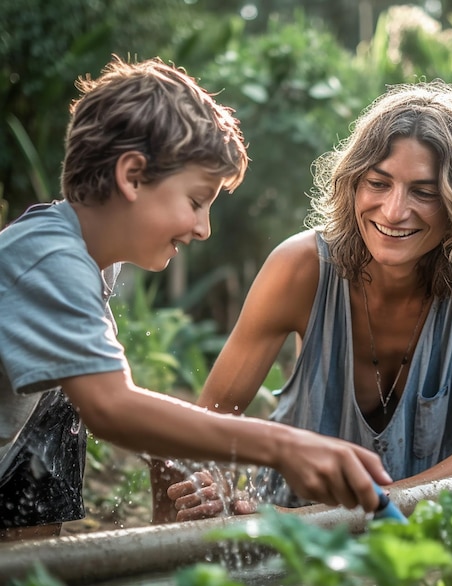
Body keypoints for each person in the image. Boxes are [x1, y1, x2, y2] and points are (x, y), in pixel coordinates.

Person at [0, 56, 392, 542]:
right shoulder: (47, 258)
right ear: (133, 175)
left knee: (64, 394)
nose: (203, 229)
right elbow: (112, 408)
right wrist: (283, 446)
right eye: (195, 201)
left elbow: (99, 393)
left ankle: (31, 579)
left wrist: (170, 453)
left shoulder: (85, 256)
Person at [159, 79, 452, 522]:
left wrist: (345, 512)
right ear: (352, 184)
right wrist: (213, 484)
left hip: (428, 534)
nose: (394, 211)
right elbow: (207, 426)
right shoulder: (300, 268)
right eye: (378, 182)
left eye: (424, 192)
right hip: (289, 535)